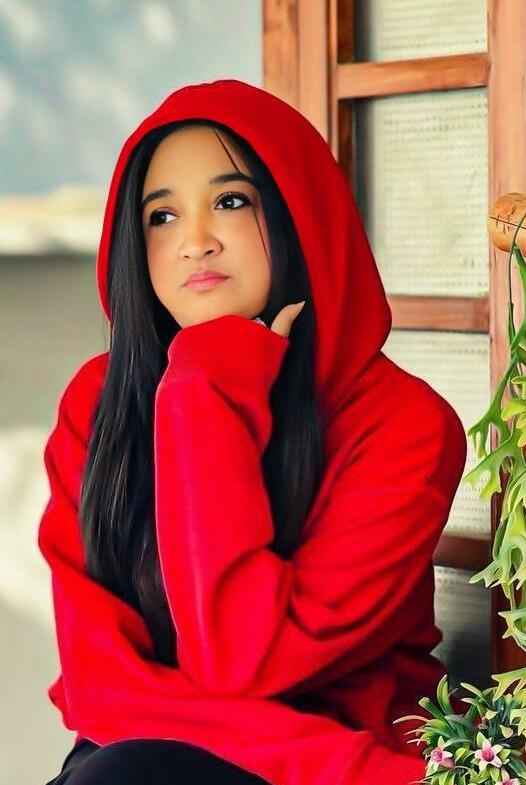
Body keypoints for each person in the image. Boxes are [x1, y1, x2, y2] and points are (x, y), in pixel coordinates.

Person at [39, 78, 468, 785]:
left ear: (298, 211)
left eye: (231, 201)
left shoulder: (403, 427)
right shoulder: (99, 402)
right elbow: (98, 680)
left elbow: (244, 660)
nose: (195, 242)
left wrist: (207, 387)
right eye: (162, 216)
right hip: (143, 752)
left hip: (328, 760)